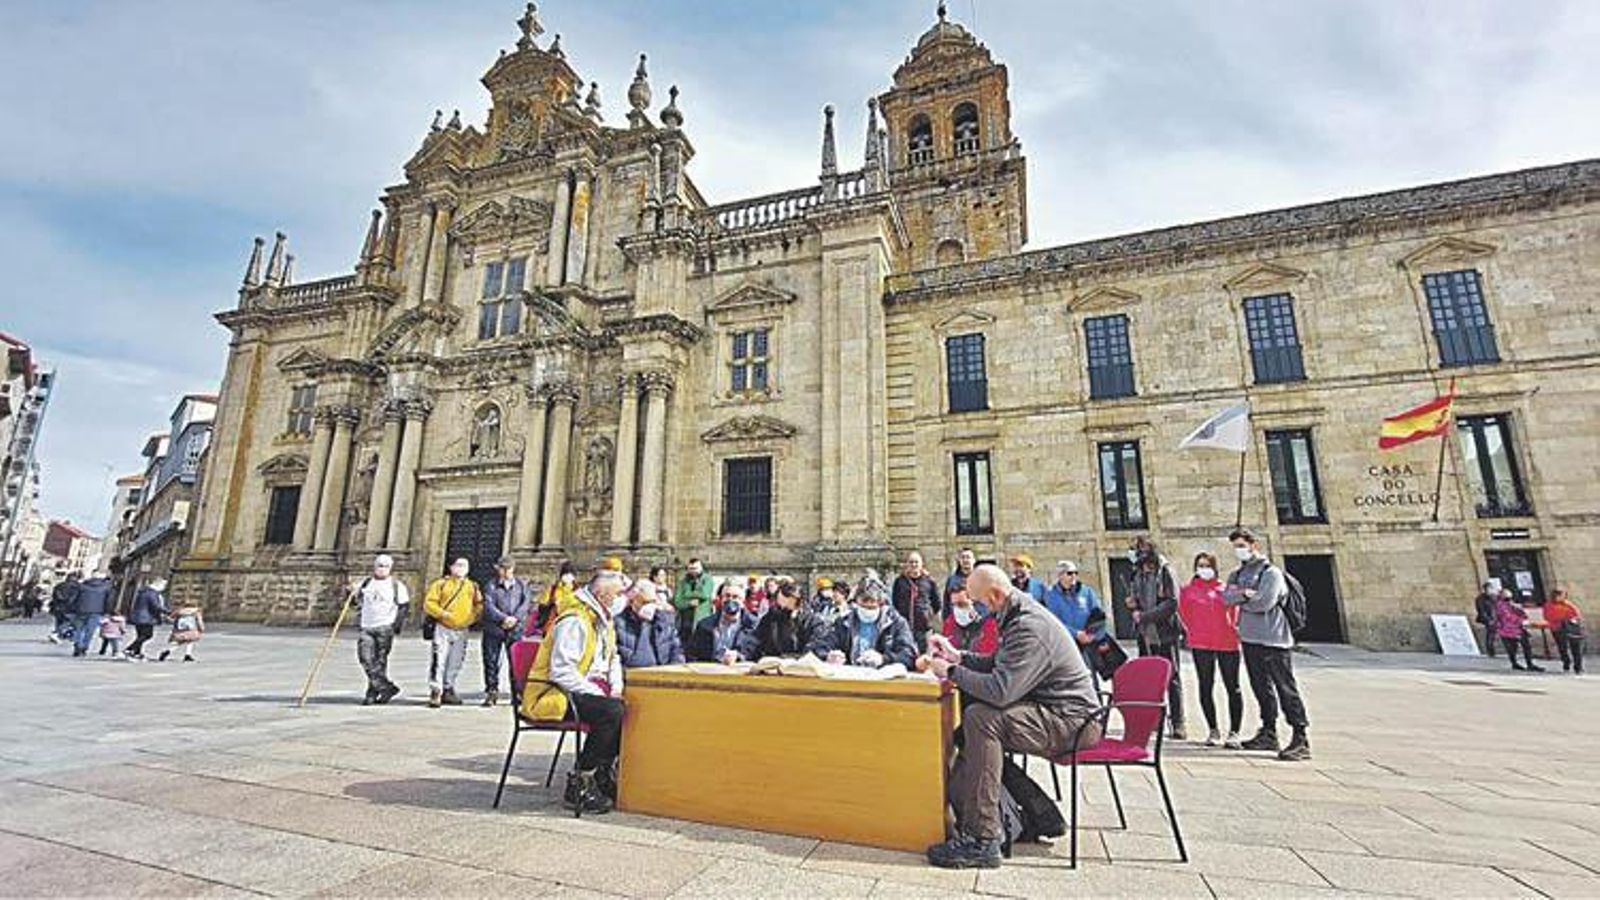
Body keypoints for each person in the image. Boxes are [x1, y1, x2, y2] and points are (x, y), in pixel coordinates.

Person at [923, 564, 1103, 869]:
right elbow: (999, 663)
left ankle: (982, 840)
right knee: (970, 731)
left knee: (981, 719)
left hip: (1072, 722)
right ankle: (1039, 813)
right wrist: (959, 656)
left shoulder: (1028, 626)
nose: (978, 610)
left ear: (994, 596)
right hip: (1060, 714)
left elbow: (1000, 690)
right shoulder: (1018, 614)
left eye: (979, 602)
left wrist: (951, 672)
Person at [523, 569, 627, 814]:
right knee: (611, 712)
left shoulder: (603, 619)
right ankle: (580, 780)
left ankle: (603, 773)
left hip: (586, 689)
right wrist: (598, 694)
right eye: (617, 594)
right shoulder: (575, 620)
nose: (621, 598)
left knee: (626, 705)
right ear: (602, 595)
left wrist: (616, 687)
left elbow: (612, 658)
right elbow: (562, 671)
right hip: (556, 693)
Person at [1224, 528, 1312, 760]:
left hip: (1274, 639)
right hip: (1250, 638)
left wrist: (1243, 598)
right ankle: (1269, 732)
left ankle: (1300, 736)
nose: (1238, 550)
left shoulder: (1271, 573)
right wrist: (1247, 595)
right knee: (1260, 687)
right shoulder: (1237, 574)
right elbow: (1227, 598)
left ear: (1254, 545)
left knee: (1285, 688)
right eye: (1235, 546)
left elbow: (1264, 602)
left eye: (1242, 545)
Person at [1179, 552, 1242, 747]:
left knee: (1233, 687)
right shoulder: (1188, 591)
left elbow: (1236, 613)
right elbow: (1183, 614)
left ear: (1214, 568)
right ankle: (1213, 729)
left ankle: (1234, 731)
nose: (1204, 568)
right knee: (1205, 685)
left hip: (1227, 642)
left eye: (1207, 565)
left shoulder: (1226, 590)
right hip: (1201, 643)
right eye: (1200, 565)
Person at [1126, 537, 1186, 740]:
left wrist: (1145, 616)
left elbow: (1172, 603)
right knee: (1150, 678)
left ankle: (1178, 722)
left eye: (1138, 549)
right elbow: (1136, 598)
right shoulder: (1137, 573)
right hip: (1145, 633)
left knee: (1172, 677)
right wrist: (1133, 605)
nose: (1135, 553)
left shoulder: (1165, 571)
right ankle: (1155, 719)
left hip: (1165, 632)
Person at [817, 571, 918, 668]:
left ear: (880, 603)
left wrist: (884, 659)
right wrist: (828, 655)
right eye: (864, 604)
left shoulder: (896, 623)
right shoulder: (844, 623)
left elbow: (909, 655)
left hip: (884, 679)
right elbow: (821, 645)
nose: (868, 607)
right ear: (856, 601)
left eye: (872, 605)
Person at [422, 557, 484, 708]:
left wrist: (472, 618)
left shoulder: (472, 586)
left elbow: (479, 604)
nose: (461, 568)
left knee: (456, 660)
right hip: (443, 627)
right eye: (458, 565)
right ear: (451, 567)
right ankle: (436, 690)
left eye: (464, 566)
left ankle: (449, 687)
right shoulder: (440, 584)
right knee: (439, 659)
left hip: (462, 628)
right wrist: (442, 613)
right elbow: (429, 603)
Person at [354, 554, 409, 705]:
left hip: (385, 627)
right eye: (379, 565)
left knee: (380, 661)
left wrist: (396, 625)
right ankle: (386, 687)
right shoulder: (365, 583)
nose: (382, 568)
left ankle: (372, 691)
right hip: (366, 626)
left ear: (391, 568)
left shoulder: (397, 585)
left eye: (385, 566)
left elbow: (404, 606)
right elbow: (356, 602)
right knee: (365, 658)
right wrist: (350, 594)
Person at [481, 556, 531, 707]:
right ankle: (492, 691)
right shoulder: (491, 585)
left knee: (515, 663)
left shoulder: (522, 585)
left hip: (515, 630)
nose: (504, 572)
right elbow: (488, 605)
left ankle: (516, 693)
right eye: (502, 569)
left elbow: (525, 604)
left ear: (513, 569)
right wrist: (503, 618)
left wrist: (514, 619)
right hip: (494, 629)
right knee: (491, 661)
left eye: (507, 569)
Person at [744, 580, 829, 659]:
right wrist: (741, 655)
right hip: (773, 666)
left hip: (802, 667)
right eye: (779, 605)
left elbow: (816, 646)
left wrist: (797, 658)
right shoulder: (771, 617)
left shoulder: (814, 622)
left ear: (798, 602)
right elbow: (755, 639)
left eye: (786, 606)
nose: (781, 608)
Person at [616, 577, 685, 667]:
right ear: (633, 601)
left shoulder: (666, 621)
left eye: (652, 601)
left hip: (662, 672)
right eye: (644, 602)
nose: (649, 606)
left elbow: (676, 650)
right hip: (633, 675)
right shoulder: (619, 623)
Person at [689, 581, 759, 663]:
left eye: (735, 597)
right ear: (721, 599)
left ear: (743, 602)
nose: (730, 600)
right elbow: (692, 652)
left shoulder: (754, 625)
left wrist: (738, 656)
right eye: (727, 596)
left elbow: (755, 653)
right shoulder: (704, 625)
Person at [1042, 561, 1103, 650]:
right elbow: (1052, 621)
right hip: (1065, 643)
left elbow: (1098, 615)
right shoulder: (1050, 595)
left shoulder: (1087, 592)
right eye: (1069, 573)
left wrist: (1092, 634)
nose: (1074, 576)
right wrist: (1075, 634)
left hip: (1088, 642)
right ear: (1060, 575)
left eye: (1076, 573)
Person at [892, 551, 943, 651]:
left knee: (924, 656)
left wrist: (927, 614)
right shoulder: (899, 581)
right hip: (905, 626)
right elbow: (895, 601)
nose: (914, 565)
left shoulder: (929, 581)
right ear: (907, 564)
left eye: (916, 562)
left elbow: (937, 603)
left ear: (921, 564)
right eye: (911, 562)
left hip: (923, 627)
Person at [940, 576, 999, 655]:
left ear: (973, 601)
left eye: (961, 604)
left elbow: (987, 656)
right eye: (953, 605)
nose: (957, 609)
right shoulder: (949, 623)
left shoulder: (989, 625)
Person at [670, 558, 716, 648]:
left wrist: (686, 595)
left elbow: (705, 594)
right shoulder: (682, 582)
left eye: (696, 568)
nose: (693, 571)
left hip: (702, 618)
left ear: (701, 568)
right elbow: (677, 601)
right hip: (685, 621)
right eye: (691, 568)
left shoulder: (707, 580)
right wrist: (689, 603)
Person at [1494, 590, 1543, 672]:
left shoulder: (1510, 603)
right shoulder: (1500, 605)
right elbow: (1507, 616)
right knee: (1512, 648)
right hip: (1507, 630)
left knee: (1526, 646)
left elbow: (1519, 612)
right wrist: (1520, 620)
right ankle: (1515, 663)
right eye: (1506, 595)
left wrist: (1522, 613)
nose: (1509, 597)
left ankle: (1529, 664)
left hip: (1518, 629)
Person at [70, 570, 115, 658]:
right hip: (96, 611)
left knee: (79, 629)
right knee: (89, 631)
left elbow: (74, 598)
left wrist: (72, 608)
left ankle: (78, 645)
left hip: (81, 610)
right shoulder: (106, 588)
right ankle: (84, 648)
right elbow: (109, 601)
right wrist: (107, 612)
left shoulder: (82, 586)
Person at [126, 577, 169, 659]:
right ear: (158, 585)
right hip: (147, 617)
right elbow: (156, 606)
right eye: (164, 585)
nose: (164, 587)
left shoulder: (144, 591)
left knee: (140, 635)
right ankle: (129, 649)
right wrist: (168, 612)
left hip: (138, 616)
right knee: (147, 635)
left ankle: (136, 653)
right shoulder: (152, 593)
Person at [1544, 589, 1584, 675]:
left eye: (1564, 595)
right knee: (1563, 649)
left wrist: (1571, 617)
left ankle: (1578, 667)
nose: (1563, 597)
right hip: (1558, 629)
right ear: (1556, 596)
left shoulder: (1568, 604)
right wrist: (1564, 617)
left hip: (1571, 629)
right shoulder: (1549, 605)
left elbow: (1577, 614)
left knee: (1576, 648)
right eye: (1562, 595)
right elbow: (1548, 616)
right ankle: (1566, 664)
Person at [534, 560, 578, 637]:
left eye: (570, 574)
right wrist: (552, 603)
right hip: (551, 625)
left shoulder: (578, 592)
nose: (568, 576)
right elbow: (542, 606)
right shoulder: (553, 589)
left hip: (570, 627)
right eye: (566, 573)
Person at [48, 574, 80, 644]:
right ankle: (57, 633)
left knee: (58, 622)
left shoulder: (59, 586)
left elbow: (54, 596)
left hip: (58, 607)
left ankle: (59, 635)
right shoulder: (77, 587)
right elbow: (75, 599)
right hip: (70, 608)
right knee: (70, 622)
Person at [1474, 580, 1501, 658]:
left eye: (1491, 588)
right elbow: (1481, 610)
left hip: (1496, 618)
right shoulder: (1480, 598)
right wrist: (1488, 620)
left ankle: (1493, 650)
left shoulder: (1494, 597)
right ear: (1485, 589)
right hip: (1489, 619)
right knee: (1491, 634)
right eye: (1489, 588)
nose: (1490, 590)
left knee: (1497, 634)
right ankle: (1491, 652)